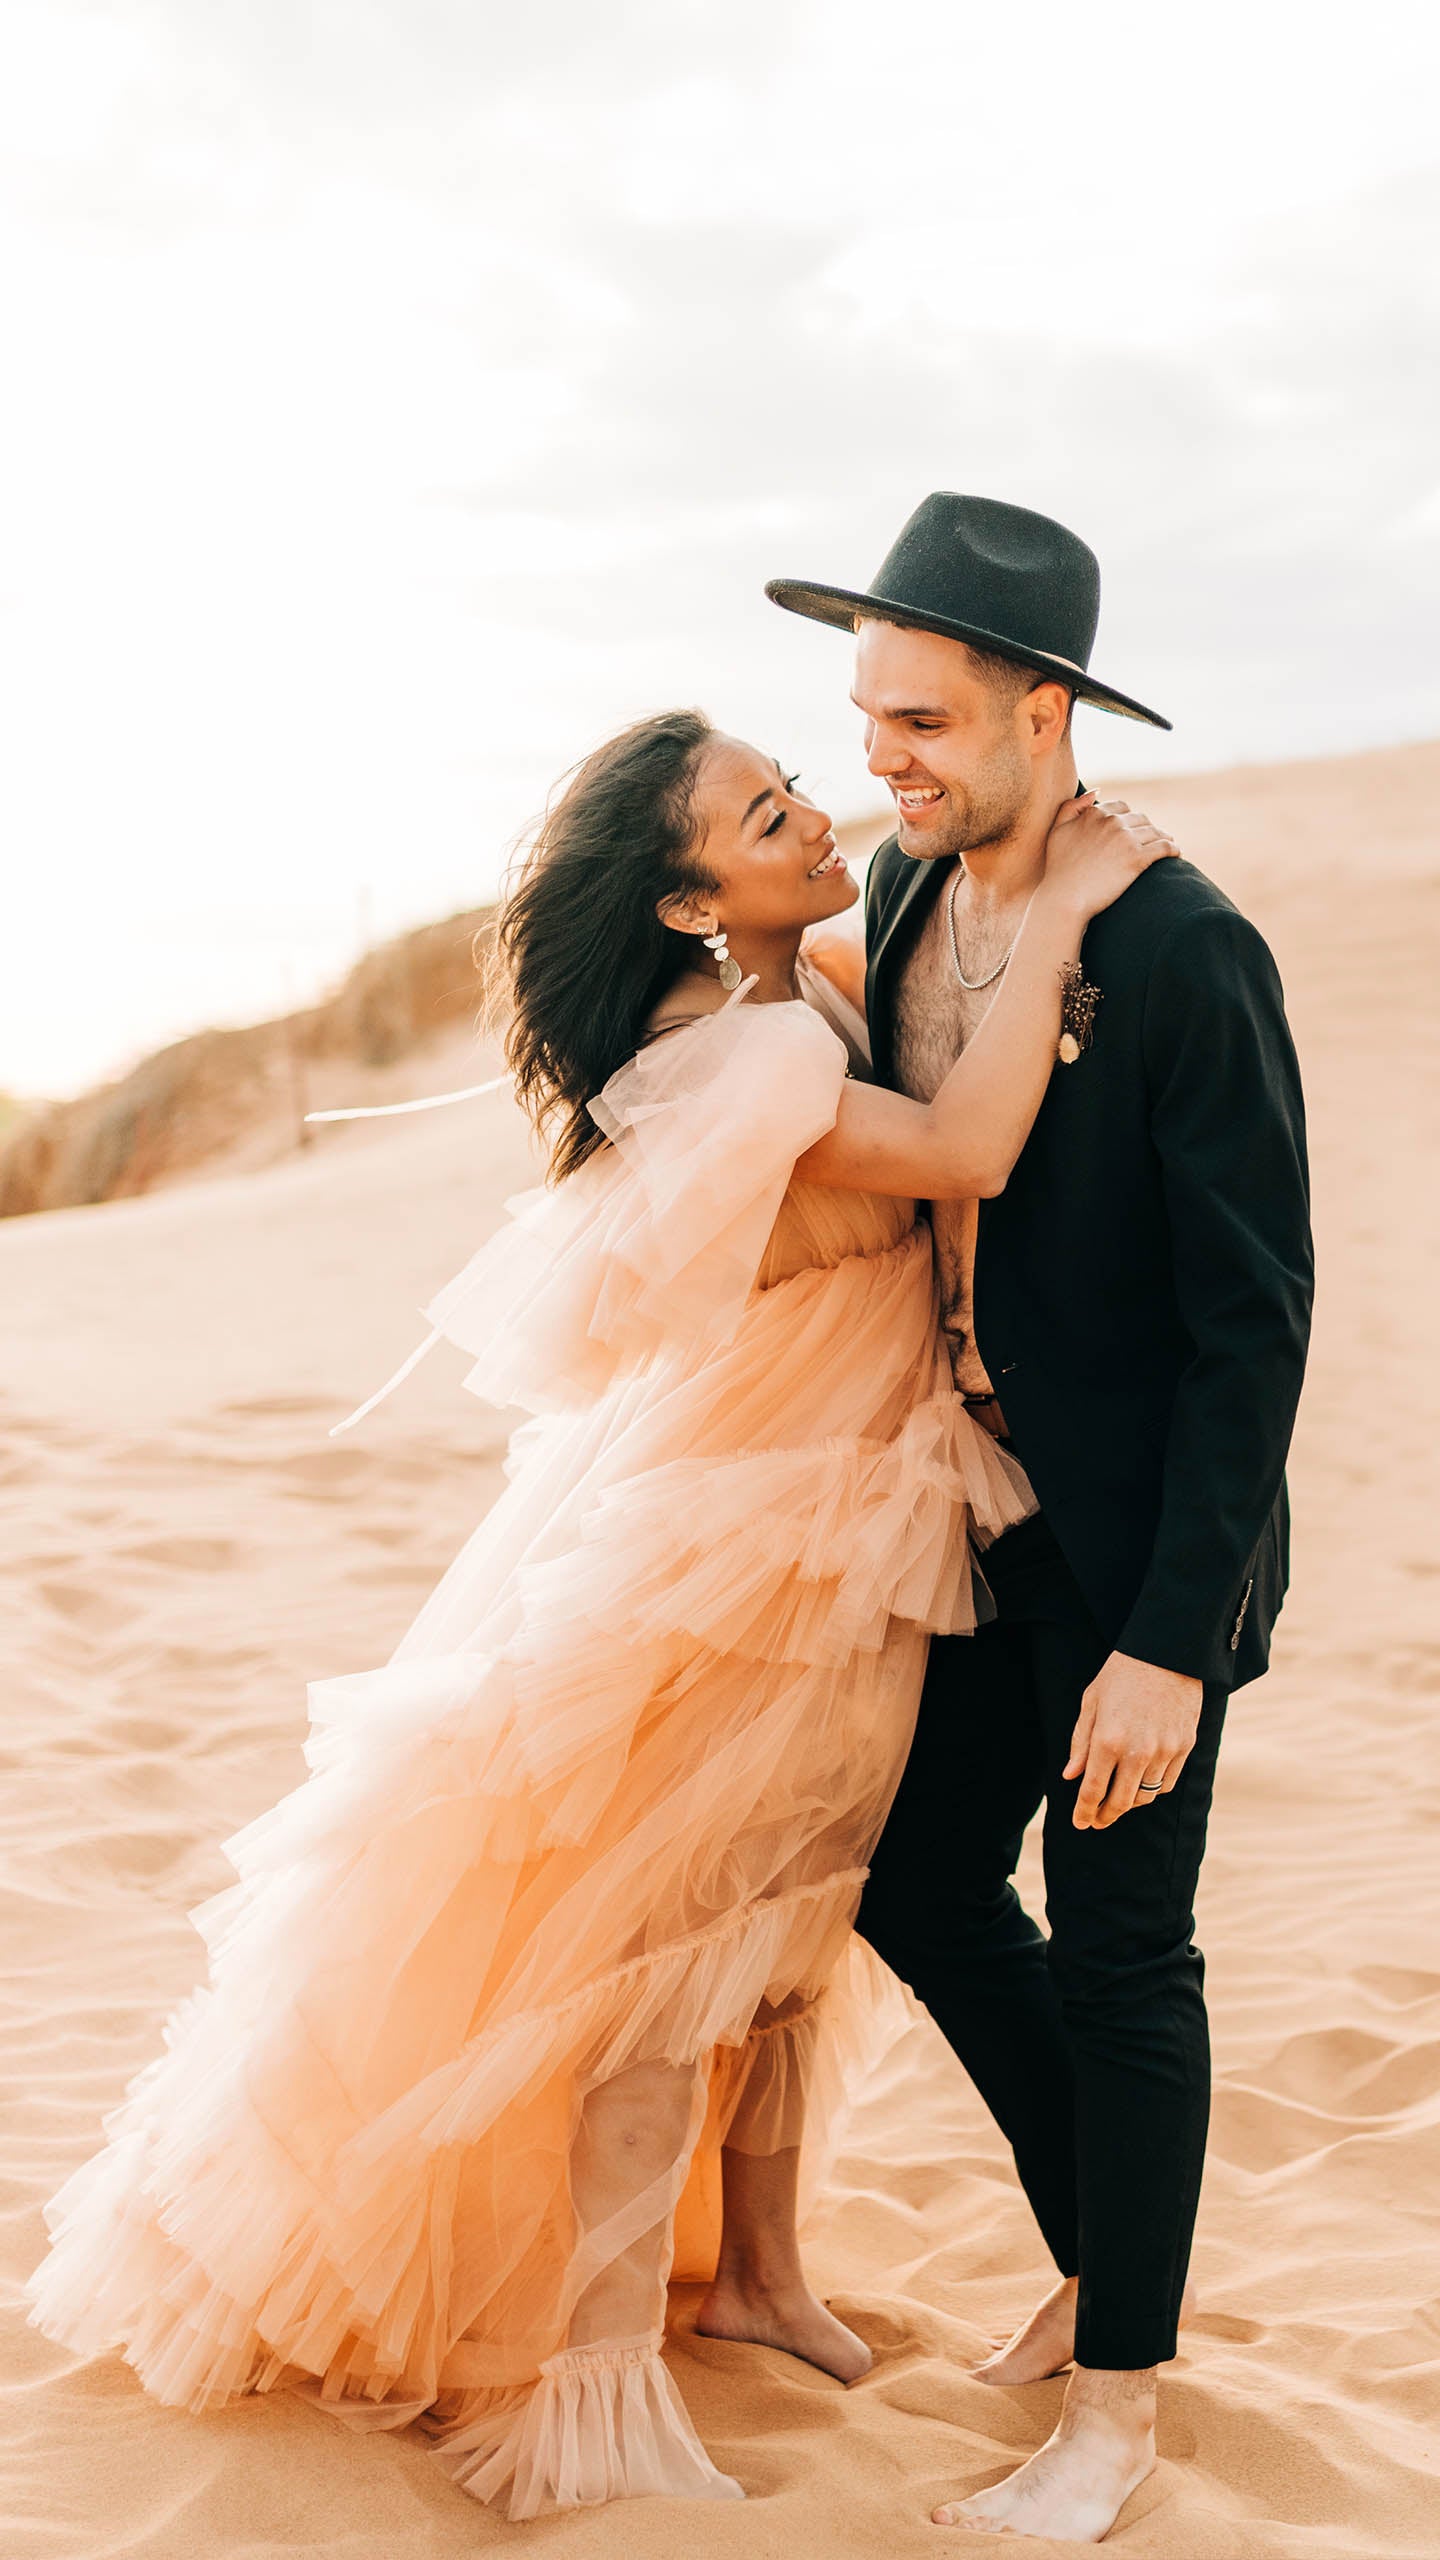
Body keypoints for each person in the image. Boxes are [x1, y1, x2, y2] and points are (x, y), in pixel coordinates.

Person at [26, 706, 1173, 2519]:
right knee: (659, 1956)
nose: (805, 814)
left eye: (791, 783)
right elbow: (964, 1152)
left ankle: (763, 2276)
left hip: (856, 1522)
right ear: (683, 897)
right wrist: (1080, 895)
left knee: (790, 1921)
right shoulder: (753, 1053)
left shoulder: (800, 996)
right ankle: (596, 2384)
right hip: (761, 1544)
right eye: (757, 813)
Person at [767, 491, 1314, 2541]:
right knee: (915, 1874)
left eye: (916, 715)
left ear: (1044, 703)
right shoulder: (912, 902)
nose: (881, 754)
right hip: (983, 1516)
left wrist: (1174, 1639)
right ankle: (1108, 2253)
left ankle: (1119, 2414)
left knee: (1120, 1950)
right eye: (864, 712)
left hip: (1147, 1544)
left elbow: (1254, 1321)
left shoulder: (1188, 946)